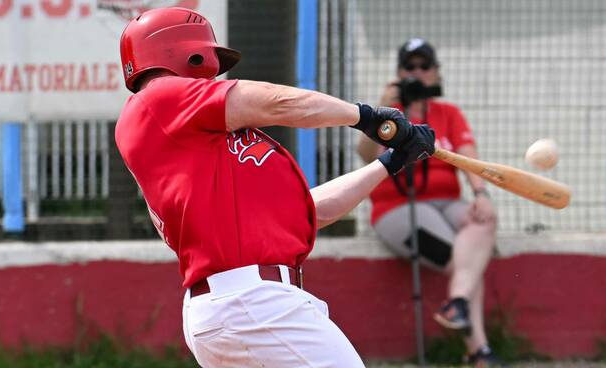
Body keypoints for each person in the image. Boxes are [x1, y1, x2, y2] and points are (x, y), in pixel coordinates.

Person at [115, 7, 435, 368]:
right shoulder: (156, 99)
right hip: (250, 301)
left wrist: (390, 163)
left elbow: (310, 212)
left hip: (243, 308)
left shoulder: (203, 147)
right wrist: (366, 116)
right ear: (181, 50)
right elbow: (278, 102)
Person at [357, 38, 501, 367]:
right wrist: (379, 112)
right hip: (397, 209)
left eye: (425, 66)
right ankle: (479, 351)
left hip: (446, 201)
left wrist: (480, 194)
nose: (418, 73)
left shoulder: (449, 114)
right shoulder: (389, 115)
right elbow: (365, 156)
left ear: (436, 73)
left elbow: (469, 157)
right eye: (410, 67)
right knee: (461, 259)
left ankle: (459, 303)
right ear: (399, 74)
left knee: (484, 219)